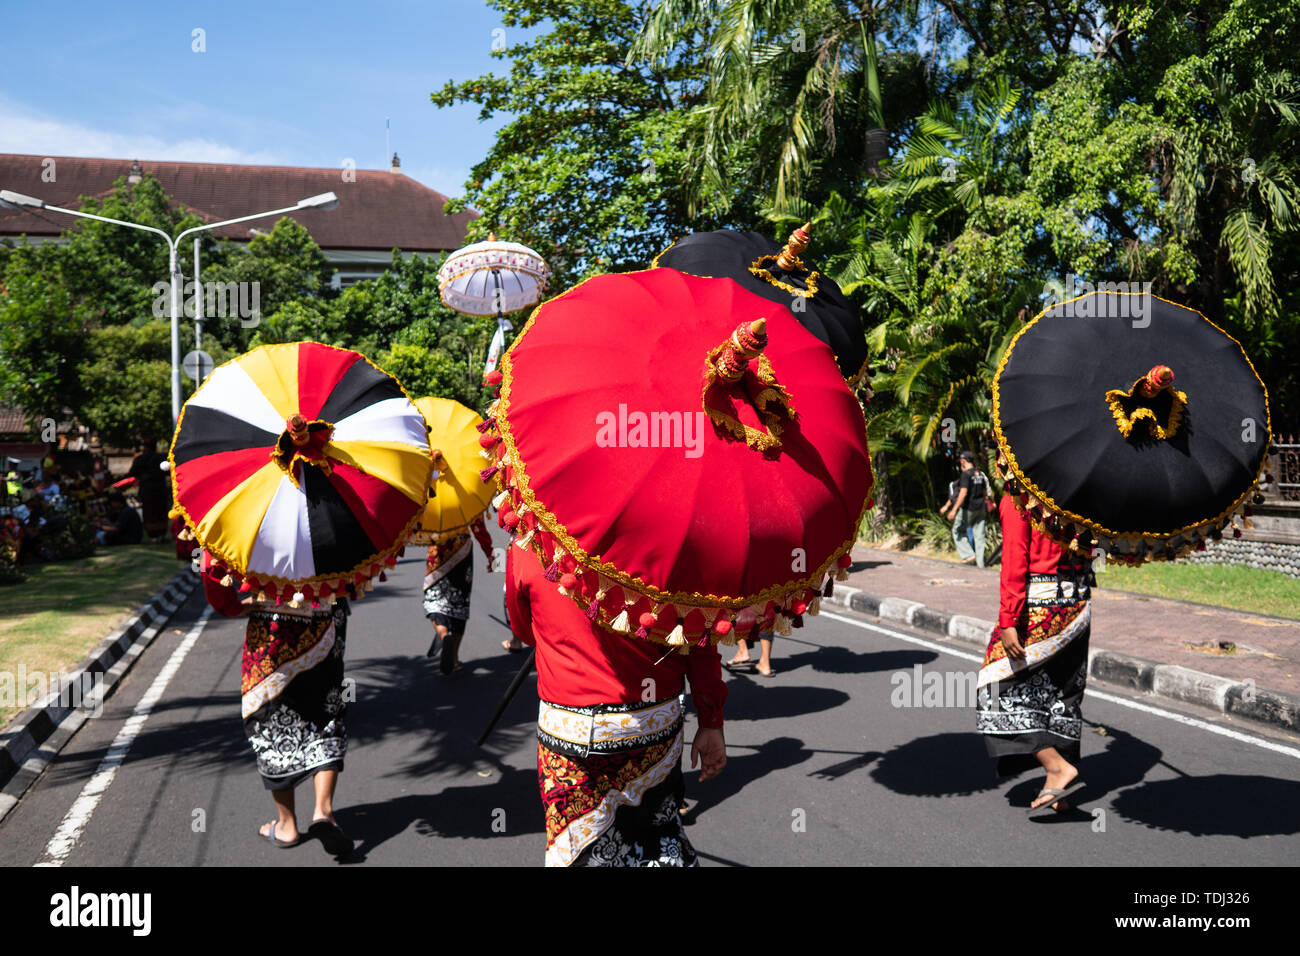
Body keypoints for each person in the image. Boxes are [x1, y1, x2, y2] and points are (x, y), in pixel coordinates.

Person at [506, 542, 728, 866]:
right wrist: (711, 721)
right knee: (657, 840)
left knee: (577, 847)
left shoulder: (532, 537)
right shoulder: (673, 542)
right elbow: (699, 641)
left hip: (569, 730)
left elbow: (524, 631)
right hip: (652, 727)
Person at [202, 555, 354, 857]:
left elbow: (213, 571)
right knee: (325, 712)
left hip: (270, 624)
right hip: (326, 618)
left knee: (270, 716)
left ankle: (286, 825)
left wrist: (233, 606)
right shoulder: (335, 511)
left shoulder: (247, 511)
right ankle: (323, 812)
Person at [975, 470, 1093, 813]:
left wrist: (1009, 618)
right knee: (1062, 695)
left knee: (994, 692)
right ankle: (1058, 790)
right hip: (1078, 604)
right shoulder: (1078, 494)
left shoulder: (1019, 498)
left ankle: (1057, 767)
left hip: (1039, 608)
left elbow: (1014, 560)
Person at [423, 513, 496, 674]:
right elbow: (478, 526)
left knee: (434, 596)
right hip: (462, 549)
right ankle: (454, 658)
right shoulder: (467, 490)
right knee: (460, 601)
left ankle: (443, 634)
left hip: (438, 547)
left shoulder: (431, 492)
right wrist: (489, 554)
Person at [947, 451, 988, 566]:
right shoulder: (979, 473)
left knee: (957, 530)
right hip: (981, 507)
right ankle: (980, 564)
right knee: (980, 536)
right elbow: (984, 492)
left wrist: (954, 510)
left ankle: (968, 555)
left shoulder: (965, 475)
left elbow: (963, 493)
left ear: (963, 461)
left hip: (969, 508)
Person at [128, 440, 169, 543]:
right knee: (160, 512)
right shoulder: (162, 458)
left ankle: (153, 536)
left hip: (147, 490)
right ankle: (161, 535)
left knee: (150, 513)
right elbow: (169, 471)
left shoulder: (140, 459)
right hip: (160, 489)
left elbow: (132, 473)